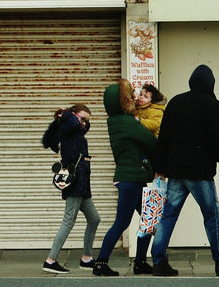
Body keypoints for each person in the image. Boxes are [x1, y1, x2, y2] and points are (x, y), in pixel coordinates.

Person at [147, 65, 219, 277]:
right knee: (212, 216)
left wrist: (160, 167)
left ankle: (158, 261)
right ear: (211, 83)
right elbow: (216, 139)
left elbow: (164, 137)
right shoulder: (214, 105)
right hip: (199, 172)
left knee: (168, 216)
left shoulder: (175, 102)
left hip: (175, 171)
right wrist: (215, 162)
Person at [91, 80, 157, 277]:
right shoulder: (127, 122)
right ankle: (101, 263)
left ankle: (140, 263)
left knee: (147, 219)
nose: (134, 99)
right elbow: (151, 142)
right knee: (122, 222)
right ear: (124, 101)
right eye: (130, 96)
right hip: (131, 179)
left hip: (131, 178)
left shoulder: (115, 122)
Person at [42, 104, 100, 274]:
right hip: (75, 183)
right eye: (81, 119)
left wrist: (76, 119)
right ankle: (50, 260)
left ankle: (86, 258)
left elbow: (81, 128)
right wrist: (67, 114)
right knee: (68, 221)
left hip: (83, 185)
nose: (84, 123)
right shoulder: (67, 129)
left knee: (94, 219)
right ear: (73, 116)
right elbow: (72, 125)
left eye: (86, 121)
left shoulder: (75, 130)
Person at [131, 83, 168, 274]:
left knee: (150, 216)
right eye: (141, 95)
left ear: (152, 100)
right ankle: (141, 261)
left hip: (154, 167)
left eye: (145, 96)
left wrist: (137, 120)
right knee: (148, 217)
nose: (141, 98)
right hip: (143, 167)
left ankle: (150, 259)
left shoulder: (157, 111)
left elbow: (153, 126)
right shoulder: (138, 110)